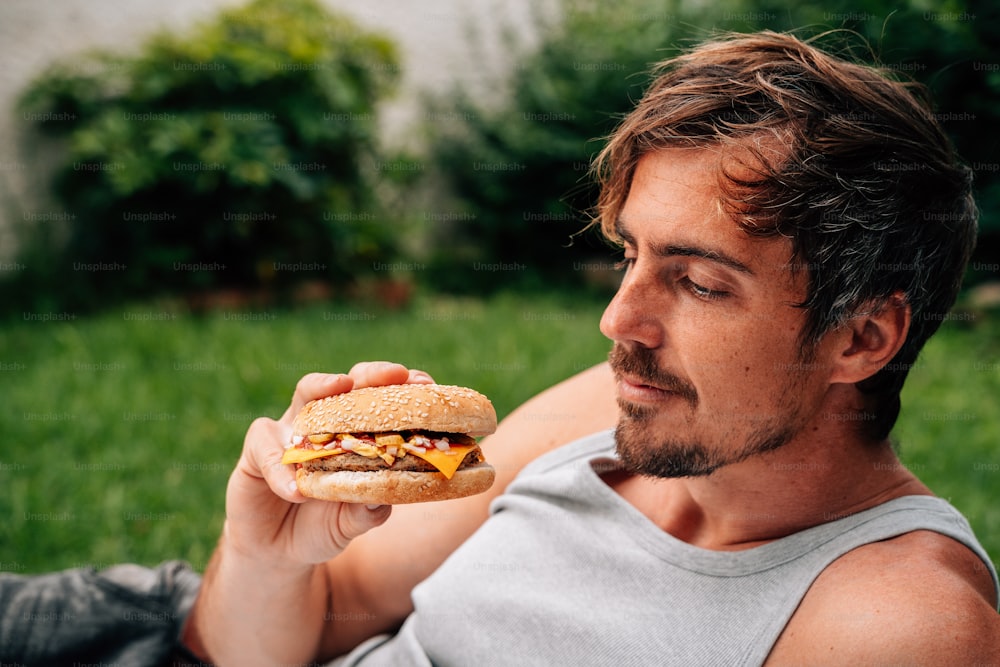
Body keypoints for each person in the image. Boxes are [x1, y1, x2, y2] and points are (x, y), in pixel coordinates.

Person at [180, 30, 1000, 665]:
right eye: (630, 256)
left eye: (701, 283)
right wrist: (268, 553)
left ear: (862, 337)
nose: (618, 321)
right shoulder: (601, 414)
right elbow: (302, 625)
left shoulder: (892, 620)